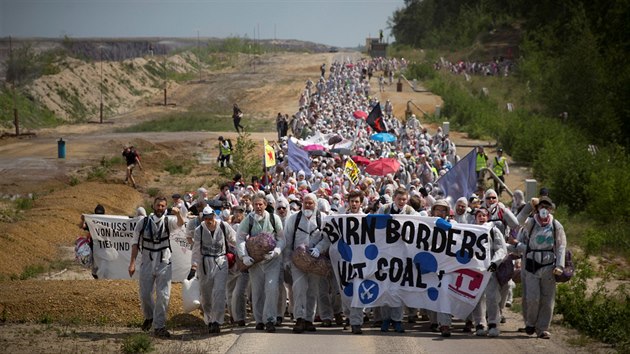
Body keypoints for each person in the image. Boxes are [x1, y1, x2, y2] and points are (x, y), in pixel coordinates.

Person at [128, 196, 185, 338]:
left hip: (164, 261)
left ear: (166, 207)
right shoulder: (143, 222)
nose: (160, 208)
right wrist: (132, 263)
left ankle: (159, 326)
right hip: (147, 261)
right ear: (153, 206)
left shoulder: (168, 220)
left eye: (163, 206)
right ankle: (150, 317)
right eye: (158, 205)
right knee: (145, 294)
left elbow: (180, 223)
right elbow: (135, 243)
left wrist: (178, 214)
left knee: (163, 295)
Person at [512, 196, 566, 339]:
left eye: (547, 208)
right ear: (538, 208)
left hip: (549, 265)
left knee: (548, 299)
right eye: (542, 207)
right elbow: (517, 224)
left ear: (551, 209)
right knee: (532, 298)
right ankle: (530, 322)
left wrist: (560, 265)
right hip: (531, 265)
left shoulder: (556, 225)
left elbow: (561, 246)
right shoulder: (530, 223)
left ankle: (542, 328)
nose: (544, 210)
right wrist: (529, 207)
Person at [236, 193, 285, 333]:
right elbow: (239, 238)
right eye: (256, 204)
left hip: (272, 260)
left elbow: (282, 239)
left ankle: (270, 319)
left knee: (271, 288)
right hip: (255, 261)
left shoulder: (274, 219)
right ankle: (259, 320)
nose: (258, 207)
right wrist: (244, 256)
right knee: (257, 291)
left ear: (265, 205)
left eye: (261, 204)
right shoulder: (248, 220)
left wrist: (276, 251)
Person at [188, 206, 236, 334]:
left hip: (221, 261)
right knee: (206, 294)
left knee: (219, 292)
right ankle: (209, 319)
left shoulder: (224, 226)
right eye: (206, 218)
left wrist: (244, 252)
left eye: (211, 218)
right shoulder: (199, 230)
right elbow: (196, 249)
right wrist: (194, 266)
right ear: (203, 218)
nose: (209, 220)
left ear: (214, 216)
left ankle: (217, 321)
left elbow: (234, 239)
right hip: (205, 263)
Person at [284, 193, 328, 333]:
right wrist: (287, 259)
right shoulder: (293, 219)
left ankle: (309, 319)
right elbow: (287, 240)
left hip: (315, 261)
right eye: (305, 203)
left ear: (315, 204)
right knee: (299, 289)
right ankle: (299, 319)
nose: (308, 205)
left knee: (312, 290)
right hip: (298, 261)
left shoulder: (323, 219)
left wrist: (319, 249)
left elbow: (327, 238)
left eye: (310, 203)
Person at [376, 187, 418, 333]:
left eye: (404, 199)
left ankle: (397, 320)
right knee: (385, 287)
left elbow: (420, 226)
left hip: (402, 255)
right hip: (385, 254)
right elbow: (375, 228)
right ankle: (386, 319)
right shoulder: (384, 210)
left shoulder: (410, 212)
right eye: (399, 199)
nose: (401, 202)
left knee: (398, 288)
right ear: (394, 198)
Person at [471, 207, 507, 337]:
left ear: (488, 217)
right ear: (475, 217)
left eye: (484, 215)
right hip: (475, 270)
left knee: (492, 297)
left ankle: (493, 323)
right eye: (479, 215)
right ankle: (479, 324)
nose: (481, 217)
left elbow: (501, 249)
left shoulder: (494, 230)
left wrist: (494, 263)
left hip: (490, 270)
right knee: (476, 298)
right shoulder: (470, 230)